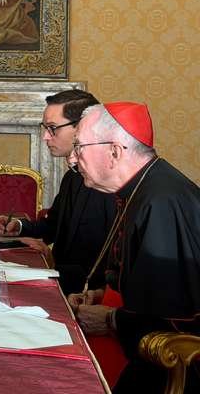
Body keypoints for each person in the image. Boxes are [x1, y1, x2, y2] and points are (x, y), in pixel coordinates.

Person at [67, 102, 200, 393]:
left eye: (79, 147)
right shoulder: (140, 189)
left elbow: (177, 316)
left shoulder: (162, 202)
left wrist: (111, 319)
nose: (72, 159)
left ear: (115, 152)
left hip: (171, 370)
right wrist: (102, 295)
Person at [0, 89, 117, 295]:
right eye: (45, 128)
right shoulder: (72, 177)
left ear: (82, 127)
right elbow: (54, 226)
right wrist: (19, 227)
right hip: (58, 280)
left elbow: (102, 270)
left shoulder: (108, 185)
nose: (45, 137)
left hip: (81, 294)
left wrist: (51, 264)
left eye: (52, 128)